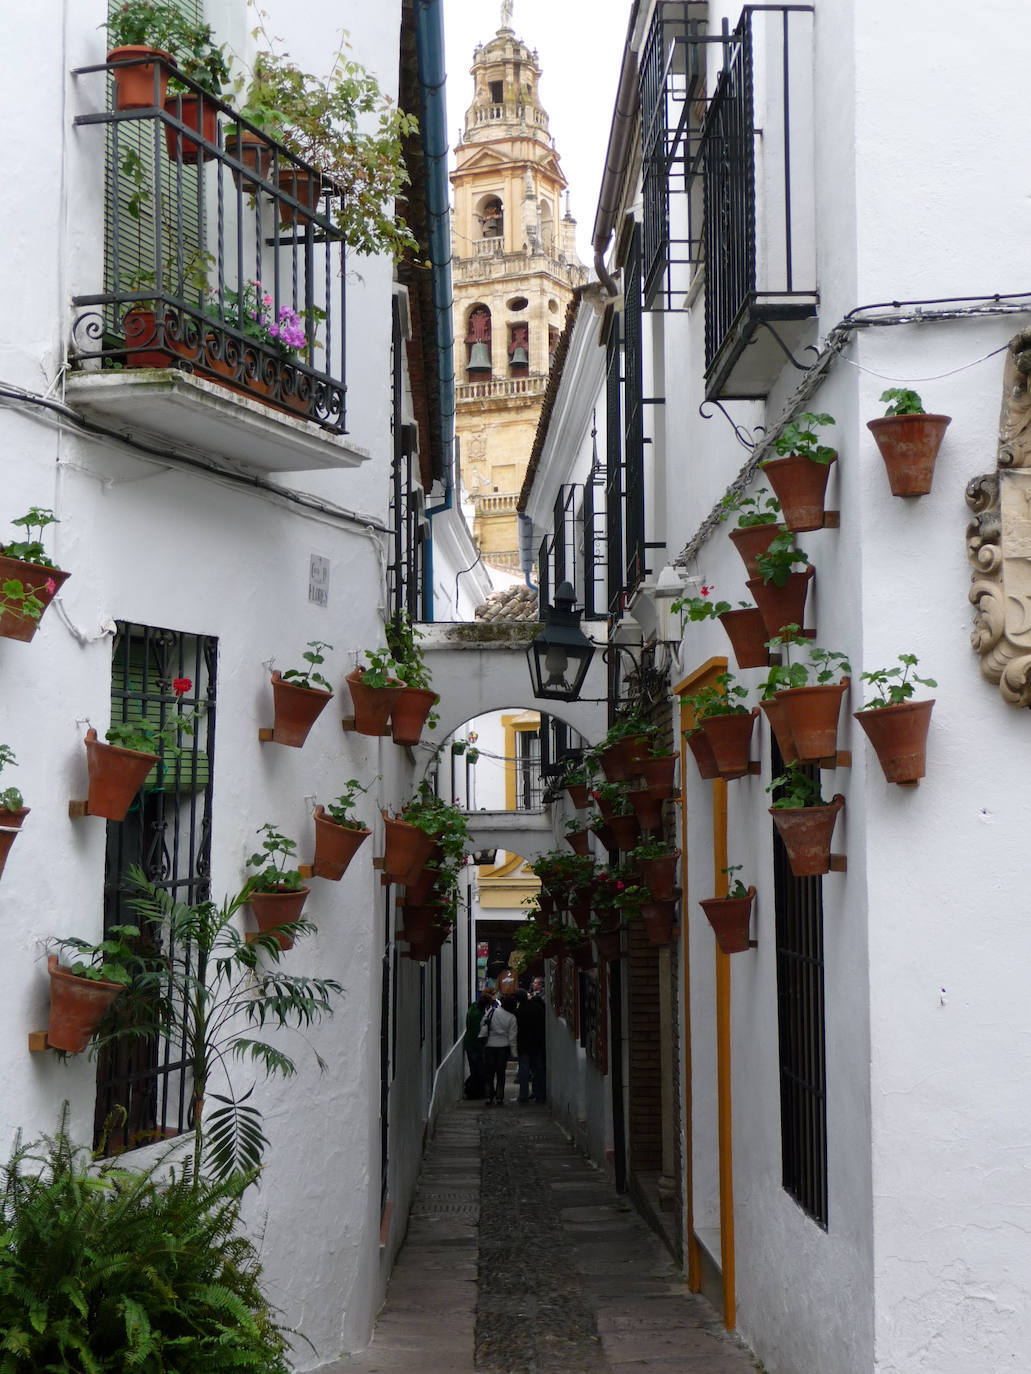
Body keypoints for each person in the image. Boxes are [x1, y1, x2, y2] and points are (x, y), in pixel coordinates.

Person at [480, 992, 518, 1105]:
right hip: (503, 1047)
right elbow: (512, 1037)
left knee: (489, 1073)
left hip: (490, 1046)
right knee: (501, 1073)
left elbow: (482, 1023)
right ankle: (499, 1096)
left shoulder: (492, 1011)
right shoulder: (512, 1018)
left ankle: (489, 1096)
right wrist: (514, 1053)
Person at [515, 984, 547, 1104]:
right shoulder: (537, 1008)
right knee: (538, 1070)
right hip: (537, 1044)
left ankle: (523, 1096)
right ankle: (539, 1094)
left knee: (524, 1071)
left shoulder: (518, 1012)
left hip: (524, 1046)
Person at [463, 993, 493, 1098]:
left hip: (469, 1043)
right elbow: (477, 1034)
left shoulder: (473, 1009)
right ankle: (477, 1092)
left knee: (474, 1069)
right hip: (474, 1045)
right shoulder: (477, 1015)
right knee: (478, 1069)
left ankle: (476, 1091)